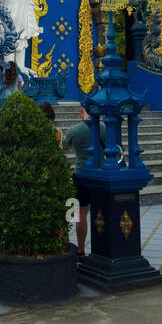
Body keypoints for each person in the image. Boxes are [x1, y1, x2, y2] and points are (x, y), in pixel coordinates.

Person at [64, 104, 94, 257]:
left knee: (78, 212)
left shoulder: (74, 131)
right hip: (100, 174)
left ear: (82, 110)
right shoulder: (102, 127)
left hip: (81, 174)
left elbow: (63, 147)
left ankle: (80, 248)